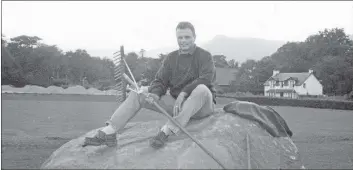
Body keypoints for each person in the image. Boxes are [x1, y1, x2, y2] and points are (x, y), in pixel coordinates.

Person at [83, 21, 217, 149]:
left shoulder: (204, 56)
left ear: (194, 37)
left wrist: (183, 93)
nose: (183, 40)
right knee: (140, 91)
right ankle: (110, 132)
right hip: (178, 106)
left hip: (201, 107)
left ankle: (167, 131)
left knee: (202, 89)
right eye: (180, 37)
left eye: (187, 37)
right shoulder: (171, 58)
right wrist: (155, 94)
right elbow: (160, 80)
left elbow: (205, 79)